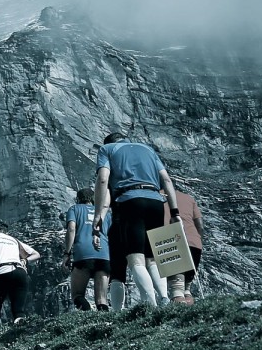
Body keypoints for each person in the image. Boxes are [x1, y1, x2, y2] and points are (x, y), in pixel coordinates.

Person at [92, 132, 180, 308]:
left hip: (129, 201)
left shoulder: (107, 149)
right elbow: (167, 180)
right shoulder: (148, 150)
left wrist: (98, 216)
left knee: (135, 259)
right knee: (152, 258)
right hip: (156, 201)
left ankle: (150, 305)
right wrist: (174, 211)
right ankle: (164, 298)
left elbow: (103, 180)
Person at [0, 220, 40, 325]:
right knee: (18, 309)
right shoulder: (15, 240)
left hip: (0, 271)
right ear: (6, 231)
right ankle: (19, 329)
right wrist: (25, 260)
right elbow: (36, 254)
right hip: (19, 271)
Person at [65, 188, 111, 311]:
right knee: (102, 299)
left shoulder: (75, 209)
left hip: (83, 254)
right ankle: (104, 323)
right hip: (104, 255)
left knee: (77, 295)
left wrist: (67, 253)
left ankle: (87, 314)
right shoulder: (105, 213)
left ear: (78, 199)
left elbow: (71, 229)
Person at [166, 187, 205, 304]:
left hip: (172, 240)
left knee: (176, 287)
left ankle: (177, 313)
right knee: (187, 288)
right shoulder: (189, 198)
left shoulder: (159, 196)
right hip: (194, 243)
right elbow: (200, 225)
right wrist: (198, 240)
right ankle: (190, 315)